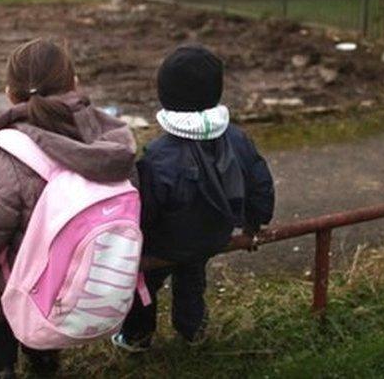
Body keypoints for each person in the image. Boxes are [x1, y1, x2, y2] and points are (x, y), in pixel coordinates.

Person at [0, 39, 138, 378]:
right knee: (42, 305)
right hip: (64, 283)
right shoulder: (110, 141)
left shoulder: (6, 156)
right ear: (74, 83)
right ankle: (44, 363)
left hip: (5, 289)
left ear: (9, 93)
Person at [112, 44, 275, 352]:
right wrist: (256, 222)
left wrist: (138, 240)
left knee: (144, 283)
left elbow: (146, 210)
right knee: (192, 281)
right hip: (214, 234)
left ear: (166, 97)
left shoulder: (159, 157)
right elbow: (260, 181)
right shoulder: (238, 138)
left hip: (166, 242)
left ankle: (137, 336)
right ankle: (193, 331)